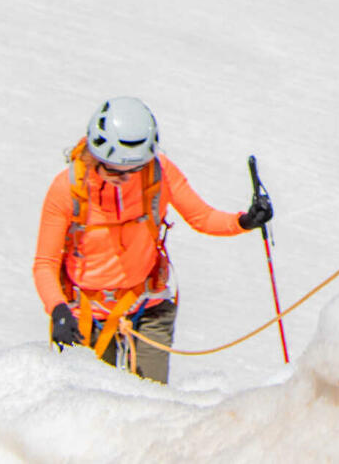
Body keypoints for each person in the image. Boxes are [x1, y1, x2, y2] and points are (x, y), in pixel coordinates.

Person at [33, 97, 270, 382]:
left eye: (133, 170)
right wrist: (58, 309)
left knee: (150, 397)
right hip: (84, 313)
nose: (124, 178)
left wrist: (244, 221)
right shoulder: (67, 188)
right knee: (92, 399)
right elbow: (45, 263)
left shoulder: (158, 174)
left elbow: (202, 217)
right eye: (113, 170)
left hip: (146, 304)